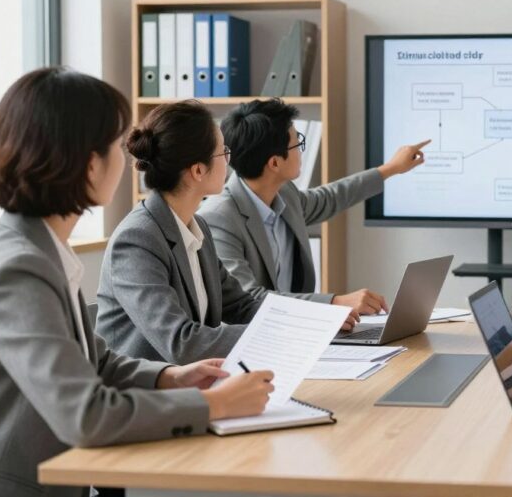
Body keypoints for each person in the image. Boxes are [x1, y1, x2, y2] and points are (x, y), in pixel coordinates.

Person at [0, 69, 272, 497]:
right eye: (117, 145)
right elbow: (85, 415)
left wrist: (172, 377)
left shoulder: (38, 247)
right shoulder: (17, 266)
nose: (129, 158)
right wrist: (215, 405)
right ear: (89, 163)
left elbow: (96, 363)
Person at [96, 100, 340, 366]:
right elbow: (182, 342)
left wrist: (320, 320)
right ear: (198, 170)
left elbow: (242, 306)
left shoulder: (197, 228)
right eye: (223, 152)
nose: (230, 160)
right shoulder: (137, 240)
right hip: (146, 397)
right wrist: (285, 335)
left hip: (195, 386)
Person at [198, 98, 428, 314]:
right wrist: (334, 303)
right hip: (249, 342)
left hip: (296, 333)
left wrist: (391, 169)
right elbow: (248, 300)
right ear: (275, 163)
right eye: (296, 142)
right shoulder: (218, 218)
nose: (300, 147)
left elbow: (332, 197)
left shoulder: (285, 195)